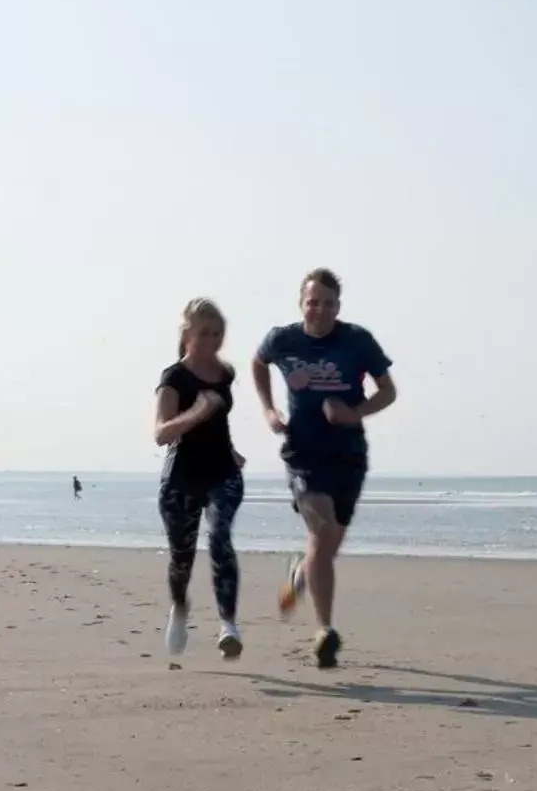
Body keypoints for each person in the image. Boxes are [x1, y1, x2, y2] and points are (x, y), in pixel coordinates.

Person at [252, 268, 396, 669]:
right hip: (303, 454)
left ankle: (299, 577)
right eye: (313, 302)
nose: (319, 310)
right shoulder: (283, 339)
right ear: (302, 303)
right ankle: (325, 631)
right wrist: (268, 409)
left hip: (348, 455)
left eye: (328, 303)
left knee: (326, 546)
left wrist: (354, 413)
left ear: (338, 307)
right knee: (322, 528)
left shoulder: (357, 341)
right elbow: (258, 363)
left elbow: (389, 391)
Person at [154, 298, 247, 660]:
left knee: (221, 536)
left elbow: (219, 423)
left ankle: (229, 625)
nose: (210, 339)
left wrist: (231, 449)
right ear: (187, 334)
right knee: (182, 556)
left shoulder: (226, 374)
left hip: (223, 472)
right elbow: (161, 433)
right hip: (181, 479)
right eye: (202, 332)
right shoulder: (173, 378)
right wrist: (195, 413)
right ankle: (180, 608)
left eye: (216, 333)